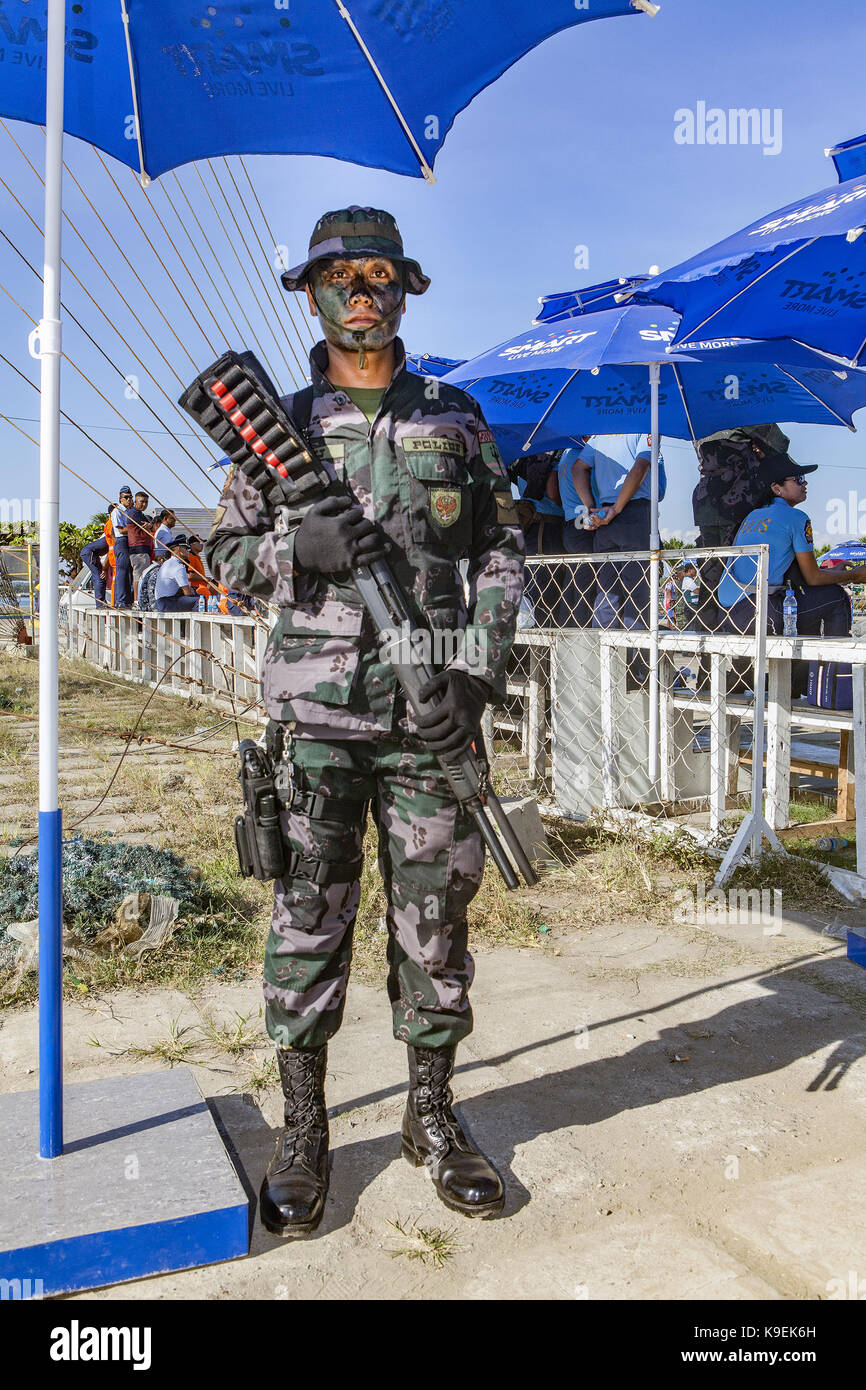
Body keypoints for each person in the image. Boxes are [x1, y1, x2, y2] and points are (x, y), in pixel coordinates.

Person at [204, 205, 523, 1237]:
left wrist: (469, 677)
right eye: (341, 277)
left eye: (380, 276)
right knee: (308, 921)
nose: (361, 294)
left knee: (435, 926)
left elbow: (500, 561)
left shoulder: (455, 418)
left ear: (403, 290)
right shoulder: (278, 426)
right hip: (316, 724)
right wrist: (303, 553)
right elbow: (225, 559)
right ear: (311, 292)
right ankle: (304, 1129)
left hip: (432, 719)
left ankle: (427, 1116)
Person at [719, 453, 866, 694]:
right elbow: (813, 578)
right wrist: (854, 575)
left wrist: (833, 572)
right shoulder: (797, 518)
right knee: (836, 598)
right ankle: (834, 681)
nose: (804, 483)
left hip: (729, 615)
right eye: (798, 479)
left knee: (806, 602)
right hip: (761, 614)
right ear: (776, 488)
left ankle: (797, 682)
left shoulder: (752, 517)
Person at [572, 433, 665, 682]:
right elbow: (641, 466)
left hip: (604, 517)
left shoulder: (600, 435)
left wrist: (591, 507)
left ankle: (601, 670)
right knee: (638, 597)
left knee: (606, 595)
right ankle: (639, 674)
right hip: (632, 513)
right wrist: (618, 508)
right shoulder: (644, 428)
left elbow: (578, 468)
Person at [692, 424, 790, 640]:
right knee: (743, 579)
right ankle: (742, 664)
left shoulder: (697, 408)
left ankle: (707, 664)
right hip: (739, 499)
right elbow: (779, 444)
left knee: (710, 581)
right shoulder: (740, 401)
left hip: (707, 501)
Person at [512, 451, 567, 627]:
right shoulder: (555, 457)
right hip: (549, 529)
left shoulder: (525, 460)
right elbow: (553, 493)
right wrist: (568, 503)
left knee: (529, 592)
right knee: (548, 592)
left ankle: (530, 646)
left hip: (528, 528)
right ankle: (545, 645)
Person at [557, 438, 599, 627]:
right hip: (585, 520)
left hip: (570, 521)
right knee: (585, 586)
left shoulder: (565, 455)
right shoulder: (584, 456)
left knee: (572, 583)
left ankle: (566, 632)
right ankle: (581, 636)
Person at [154, 535, 198, 611]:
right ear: (179, 548)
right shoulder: (178, 566)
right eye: (186, 549)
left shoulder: (167, 563)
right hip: (167, 602)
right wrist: (190, 591)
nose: (188, 551)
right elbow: (187, 593)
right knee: (199, 601)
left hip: (160, 602)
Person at [108, 486, 135, 608]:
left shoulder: (129, 511)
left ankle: (127, 600)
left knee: (128, 572)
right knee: (122, 571)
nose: (129, 499)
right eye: (126, 497)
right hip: (122, 541)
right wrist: (135, 529)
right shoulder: (118, 511)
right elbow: (120, 530)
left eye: (130, 497)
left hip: (128, 541)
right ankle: (120, 600)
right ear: (120, 498)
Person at [125, 491, 153, 599]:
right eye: (142, 502)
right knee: (139, 576)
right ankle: (137, 600)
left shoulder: (140, 514)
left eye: (146, 502)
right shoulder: (134, 513)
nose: (144, 505)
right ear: (135, 501)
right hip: (138, 549)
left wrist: (149, 526)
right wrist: (149, 526)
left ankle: (139, 600)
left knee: (141, 575)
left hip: (143, 548)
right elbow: (145, 526)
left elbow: (150, 526)